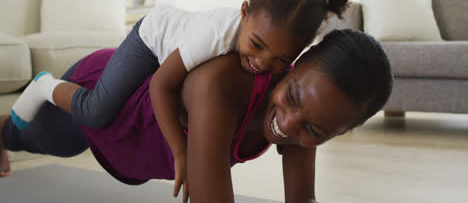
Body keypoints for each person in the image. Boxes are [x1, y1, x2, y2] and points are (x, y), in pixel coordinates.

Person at [9, 0, 353, 196]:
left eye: (279, 59)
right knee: (96, 112)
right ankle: (44, 86)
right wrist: (181, 152)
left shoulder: (279, 60)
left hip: (176, 53)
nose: (263, 64)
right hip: (152, 37)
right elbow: (161, 85)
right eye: (258, 46)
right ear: (244, 13)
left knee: (64, 140)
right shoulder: (215, 36)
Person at [0, 28, 393, 202]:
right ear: (296, 64)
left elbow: (301, 199)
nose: (288, 124)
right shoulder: (220, 85)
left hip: (129, 154)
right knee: (27, 139)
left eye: (315, 130)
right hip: (105, 98)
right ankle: (23, 105)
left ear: (336, 133)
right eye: (292, 96)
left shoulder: (302, 114)